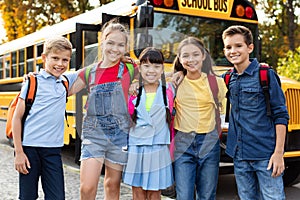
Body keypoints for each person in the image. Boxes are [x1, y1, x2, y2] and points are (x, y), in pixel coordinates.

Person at [68, 19, 138, 200]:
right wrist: (39, 78)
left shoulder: (131, 68)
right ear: (102, 42)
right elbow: (64, 90)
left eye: (121, 45)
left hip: (120, 133)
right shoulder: (89, 71)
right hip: (94, 134)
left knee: (112, 185)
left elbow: (156, 72)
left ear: (126, 47)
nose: (115, 48)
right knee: (87, 187)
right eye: (111, 43)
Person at [222, 25, 289, 199]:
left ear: (250, 48)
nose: (233, 51)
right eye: (228, 47)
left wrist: (278, 154)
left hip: (265, 155)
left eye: (238, 46)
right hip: (239, 155)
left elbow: (281, 115)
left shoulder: (266, 75)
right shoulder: (229, 78)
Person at [12, 36, 78, 200]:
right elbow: (16, 118)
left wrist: (120, 59)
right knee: (27, 196)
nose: (60, 64)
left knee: (57, 197)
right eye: (55, 58)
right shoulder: (32, 82)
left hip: (53, 151)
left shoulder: (65, 83)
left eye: (65, 60)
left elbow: (91, 71)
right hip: (29, 150)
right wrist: (19, 152)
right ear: (44, 58)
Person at [173, 36, 226, 200]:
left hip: (209, 143)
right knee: (184, 196)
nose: (191, 59)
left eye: (196, 54)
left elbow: (222, 112)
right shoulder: (175, 83)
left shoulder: (216, 83)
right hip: (183, 143)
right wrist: (175, 73)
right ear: (180, 59)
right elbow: (147, 74)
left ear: (204, 56)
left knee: (207, 195)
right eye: (186, 56)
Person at [123, 47, 174, 199]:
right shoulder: (132, 91)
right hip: (136, 146)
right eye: (146, 65)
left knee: (154, 192)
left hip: (159, 146)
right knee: (137, 192)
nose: (151, 70)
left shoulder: (169, 90)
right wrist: (122, 59)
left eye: (157, 66)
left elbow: (184, 70)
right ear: (140, 67)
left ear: (163, 69)